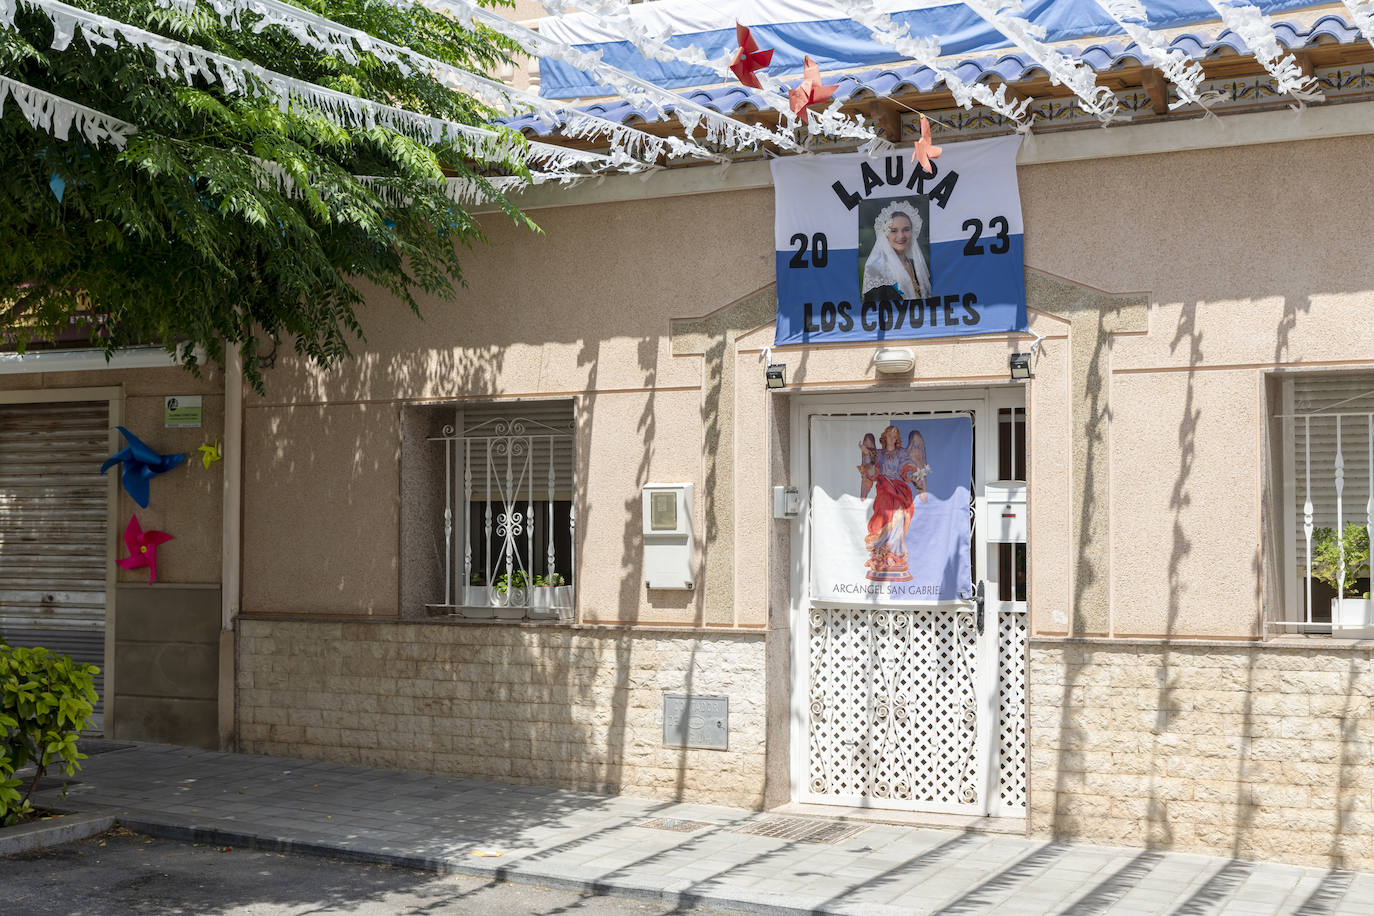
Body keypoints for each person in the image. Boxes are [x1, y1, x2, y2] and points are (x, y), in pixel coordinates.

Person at [860, 425, 931, 581]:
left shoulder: (902, 453)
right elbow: (872, 471)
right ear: (884, 437)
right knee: (882, 521)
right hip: (884, 491)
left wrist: (913, 475)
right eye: (889, 435)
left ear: (897, 439)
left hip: (900, 491)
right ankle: (880, 557)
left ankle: (894, 556)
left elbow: (907, 467)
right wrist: (867, 456)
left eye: (894, 436)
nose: (891, 438)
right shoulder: (877, 454)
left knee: (899, 520)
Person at [861, 201, 932, 304]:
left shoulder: (918, 265)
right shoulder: (876, 271)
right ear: (885, 235)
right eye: (894, 230)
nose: (901, 236)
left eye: (906, 229)